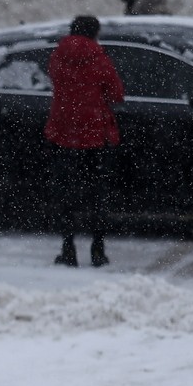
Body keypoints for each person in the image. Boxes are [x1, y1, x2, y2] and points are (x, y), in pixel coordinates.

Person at [44, 16, 126, 268]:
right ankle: (97, 251)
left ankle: (68, 249)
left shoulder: (58, 56)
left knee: (67, 193)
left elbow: (56, 81)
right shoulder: (98, 58)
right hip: (94, 135)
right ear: (94, 33)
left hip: (64, 132)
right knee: (96, 195)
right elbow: (116, 93)